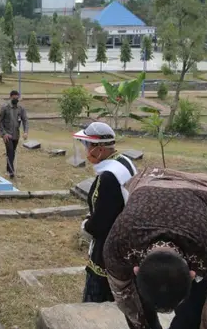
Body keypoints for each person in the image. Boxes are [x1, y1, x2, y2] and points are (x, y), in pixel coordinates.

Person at [104, 168, 207, 329]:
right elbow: (125, 297)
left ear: (192, 274)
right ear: (136, 271)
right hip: (150, 182)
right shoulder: (118, 243)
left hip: (204, 187)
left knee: (195, 307)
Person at [73, 122, 138, 303]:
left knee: (99, 299)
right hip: (124, 242)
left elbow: (102, 220)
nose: (86, 151)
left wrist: (87, 225)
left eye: (87, 145)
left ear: (99, 148)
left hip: (108, 249)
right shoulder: (122, 162)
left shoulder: (109, 176)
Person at [0, 90, 28, 180]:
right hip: (7, 135)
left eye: (17, 98)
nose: (16, 99)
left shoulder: (20, 109)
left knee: (12, 152)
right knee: (10, 151)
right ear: (11, 97)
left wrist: (25, 131)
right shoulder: (5, 108)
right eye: (14, 97)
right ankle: (11, 171)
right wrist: (4, 133)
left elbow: (25, 120)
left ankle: (8, 168)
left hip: (16, 135)